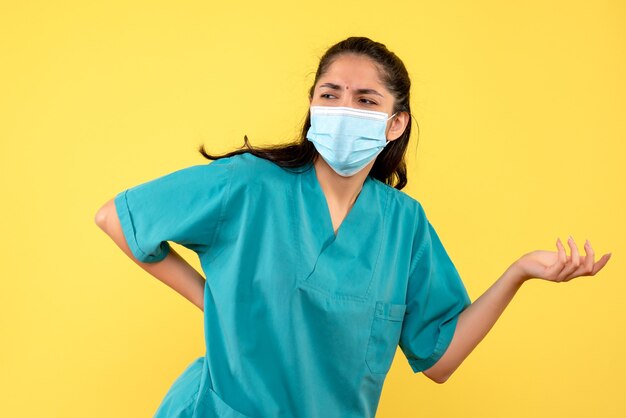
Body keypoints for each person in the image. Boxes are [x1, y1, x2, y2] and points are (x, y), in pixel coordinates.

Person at [94, 37, 612, 418]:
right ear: (313, 107)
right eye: (331, 94)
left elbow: (439, 359)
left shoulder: (403, 224)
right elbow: (117, 217)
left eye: (366, 100)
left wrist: (519, 271)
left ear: (395, 123)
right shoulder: (250, 185)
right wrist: (212, 300)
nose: (344, 109)